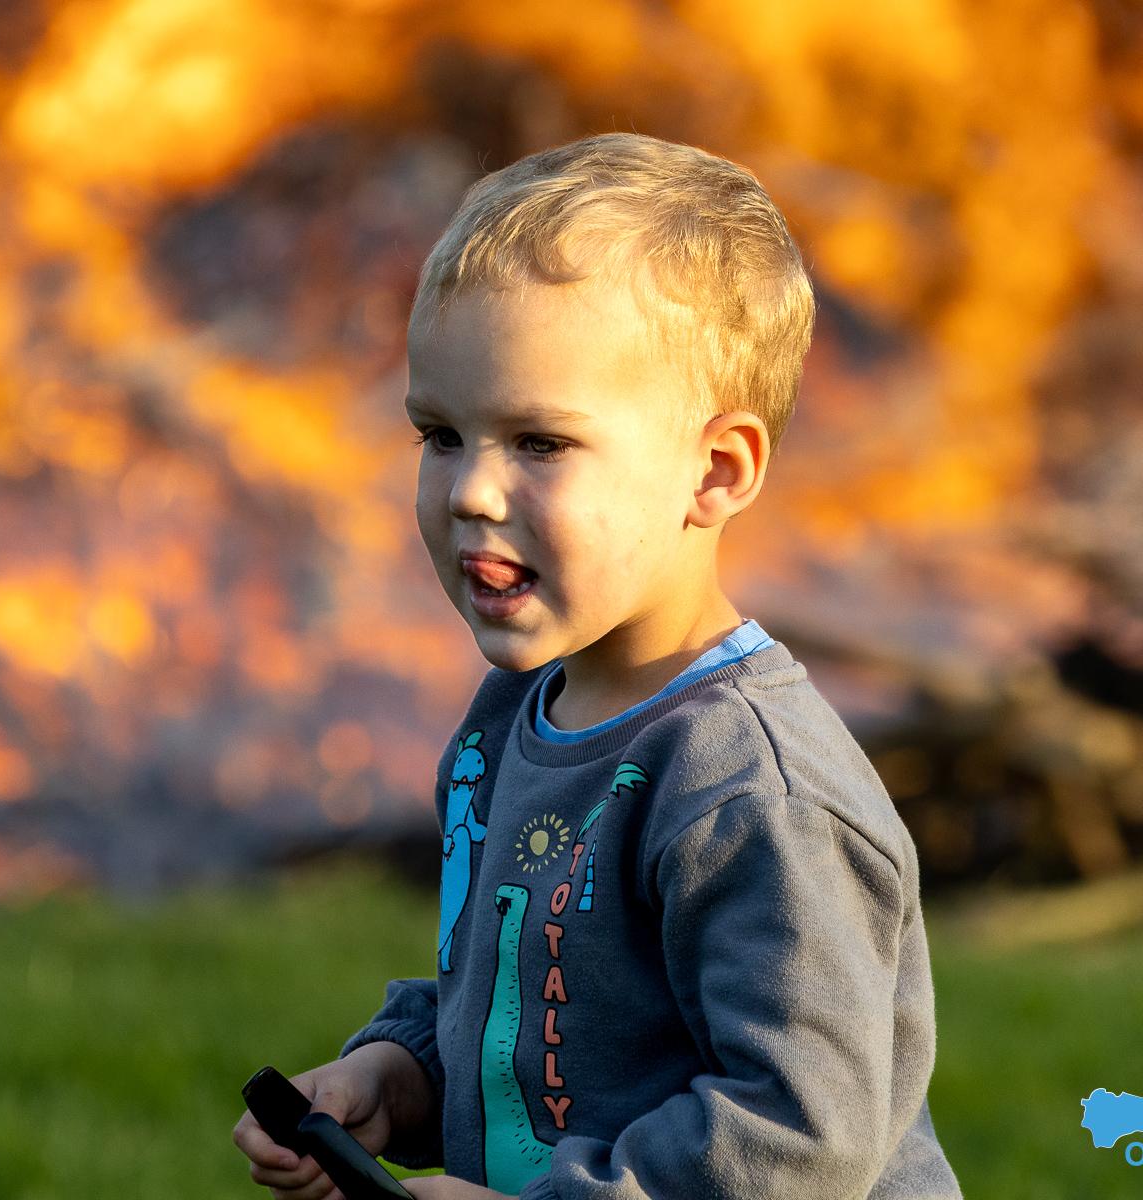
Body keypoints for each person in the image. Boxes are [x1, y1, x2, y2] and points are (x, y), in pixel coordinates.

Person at [233, 131, 962, 1200]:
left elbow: (799, 1138)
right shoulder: (511, 721)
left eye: (539, 442)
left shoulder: (755, 794)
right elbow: (529, 1006)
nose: (471, 491)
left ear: (715, 472)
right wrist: (396, 1077)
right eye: (440, 435)